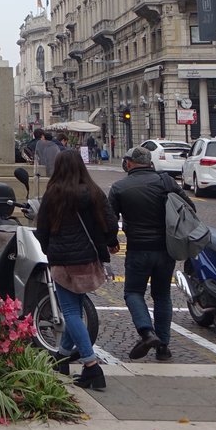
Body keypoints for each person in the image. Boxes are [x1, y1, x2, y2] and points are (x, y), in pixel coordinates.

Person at [34, 150, 119, 390]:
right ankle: (61, 356)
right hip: (89, 259)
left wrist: (50, 249)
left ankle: (92, 366)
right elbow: (111, 223)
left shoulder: (54, 193)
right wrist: (107, 241)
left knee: (70, 311)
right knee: (77, 307)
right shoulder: (93, 191)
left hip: (62, 260)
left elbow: (41, 229)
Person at [108, 145, 196, 362]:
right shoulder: (166, 183)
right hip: (165, 249)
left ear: (128, 163)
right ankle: (163, 347)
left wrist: (111, 242)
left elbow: (110, 221)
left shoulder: (119, 187)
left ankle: (147, 333)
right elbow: (190, 207)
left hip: (138, 248)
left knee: (133, 292)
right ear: (150, 163)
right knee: (162, 295)